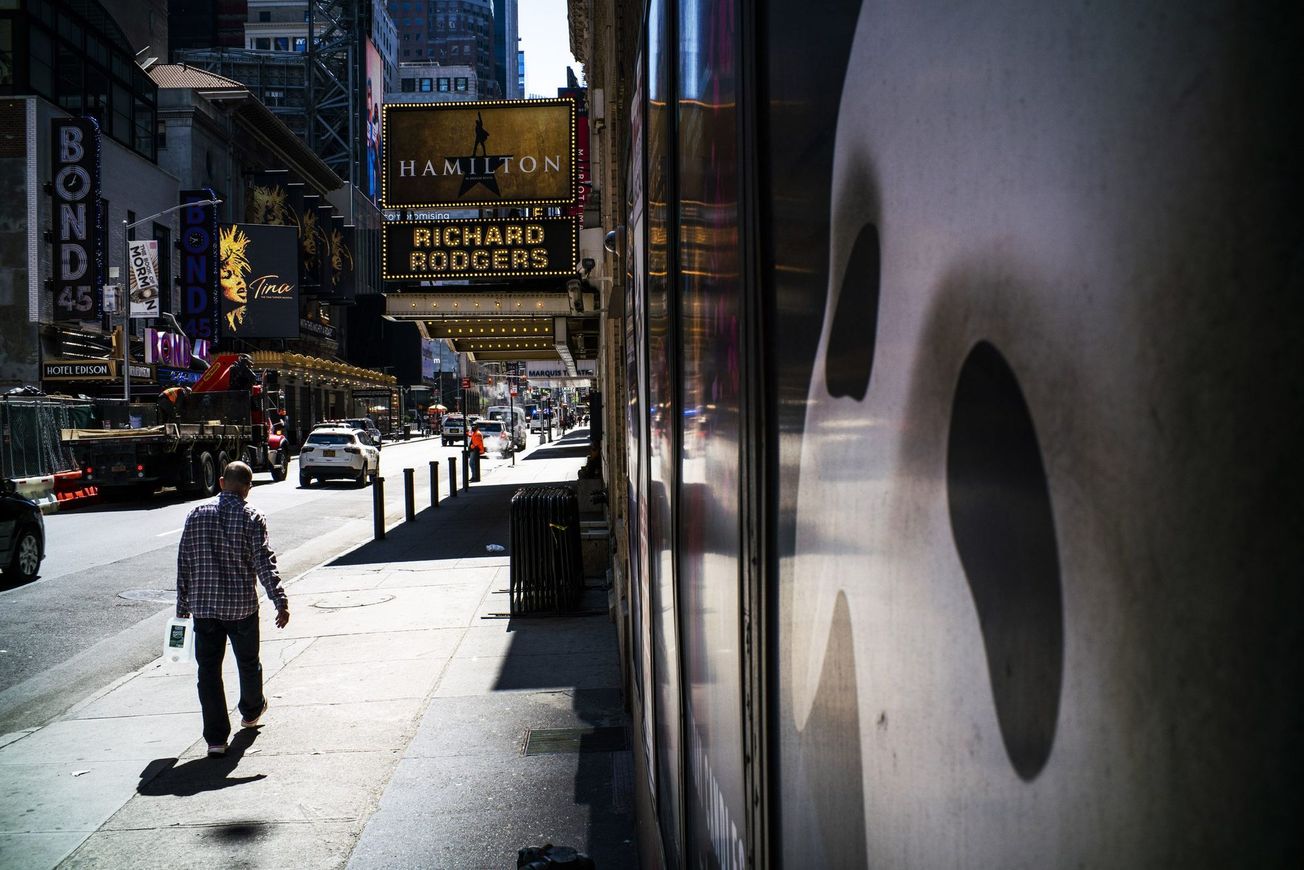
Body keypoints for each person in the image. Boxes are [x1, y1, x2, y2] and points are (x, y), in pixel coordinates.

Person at [176, 461, 290, 757]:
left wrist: (182, 606)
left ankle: (216, 740)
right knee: (248, 663)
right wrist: (279, 600)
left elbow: (184, 562)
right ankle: (251, 712)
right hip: (241, 608)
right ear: (247, 488)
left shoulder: (196, 514)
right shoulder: (252, 516)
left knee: (208, 672)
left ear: (221, 481)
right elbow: (264, 562)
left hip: (205, 608)